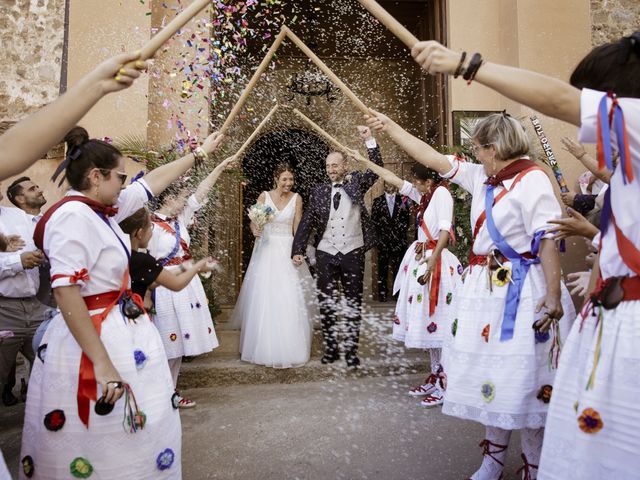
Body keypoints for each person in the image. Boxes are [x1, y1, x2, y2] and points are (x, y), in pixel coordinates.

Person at [409, 31, 640, 480]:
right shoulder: (629, 168)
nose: (584, 126)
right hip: (610, 320)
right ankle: (499, 457)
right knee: (593, 438)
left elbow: (556, 98)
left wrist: (464, 64)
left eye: (589, 103)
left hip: (622, 325)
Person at [367, 110, 575, 480]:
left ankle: (535, 465)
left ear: (494, 148)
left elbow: (547, 239)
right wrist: (390, 128)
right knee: (493, 374)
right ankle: (492, 463)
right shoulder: (482, 176)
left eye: (478, 147)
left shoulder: (532, 180)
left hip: (524, 289)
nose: (474, 154)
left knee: (527, 377)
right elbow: (432, 158)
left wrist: (554, 295)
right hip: (486, 288)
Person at [20, 122, 218, 478]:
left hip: (124, 331)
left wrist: (198, 154)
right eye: (120, 178)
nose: (125, 185)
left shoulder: (102, 208)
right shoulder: (71, 217)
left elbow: (150, 184)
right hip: (92, 340)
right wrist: (102, 364)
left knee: (139, 434)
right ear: (96, 177)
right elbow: (66, 291)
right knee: (99, 440)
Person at [351, 152, 460, 408]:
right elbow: (393, 179)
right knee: (427, 324)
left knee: (439, 323)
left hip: (436, 265)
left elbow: (445, 229)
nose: (412, 184)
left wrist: (432, 262)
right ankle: (435, 374)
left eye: (416, 180)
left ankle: (446, 382)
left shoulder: (441, 195)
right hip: (422, 257)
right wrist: (366, 162)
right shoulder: (424, 195)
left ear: (428, 181)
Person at [291, 126, 383, 368]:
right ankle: (331, 349)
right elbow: (307, 221)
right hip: (326, 251)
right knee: (327, 302)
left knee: (353, 301)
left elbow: (376, 170)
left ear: (345, 166)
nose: (331, 170)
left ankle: (351, 352)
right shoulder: (318, 191)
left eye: (335, 165)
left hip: (353, 250)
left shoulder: (356, 183)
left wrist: (369, 141)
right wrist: (297, 249)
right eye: (328, 167)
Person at [147, 145, 230, 407]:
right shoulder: (147, 223)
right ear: (168, 199)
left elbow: (200, 193)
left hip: (186, 281)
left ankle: (171, 391)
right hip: (162, 285)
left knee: (178, 344)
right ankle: (157, 393)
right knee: (162, 342)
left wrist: (218, 168)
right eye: (180, 198)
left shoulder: (179, 220)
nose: (185, 201)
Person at [0, 51, 148, 182]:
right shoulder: (73, 212)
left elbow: (9, 151)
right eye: (120, 177)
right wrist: (97, 85)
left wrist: (98, 84)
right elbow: (11, 152)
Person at [231, 163, 317, 368]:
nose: (288, 183)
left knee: (289, 295)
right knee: (266, 295)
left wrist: (298, 251)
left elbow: (297, 227)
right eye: (285, 179)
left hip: (287, 248)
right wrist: (255, 230)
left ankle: (292, 348)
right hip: (267, 250)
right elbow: (255, 222)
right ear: (276, 179)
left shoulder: (297, 199)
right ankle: (264, 348)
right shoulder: (264, 196)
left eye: (291, 179)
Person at [0, 185, 47, 407]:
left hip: (37, 306)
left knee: (49, 368)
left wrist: (39, 254)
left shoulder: (19, 216)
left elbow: (38, 247)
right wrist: (17, 261)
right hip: (4, 310)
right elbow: (18, 260)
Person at [119, 206, 222, 306]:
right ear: (140, 233)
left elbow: (152, 283)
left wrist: (182, 268)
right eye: (151, 226)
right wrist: (198, 266)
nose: (152, 230)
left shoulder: (122, 256)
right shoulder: (142, 260)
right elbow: (176, 284)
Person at [371, 182, 410, 302]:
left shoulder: (403, 200)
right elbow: (374, 222)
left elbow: (407, 219)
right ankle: (382, 294)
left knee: (399, 267)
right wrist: (380, 237)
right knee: (382, 268)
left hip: (399, 241)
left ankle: (398, 294)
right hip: (383, 241)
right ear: (384, 186)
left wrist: (400, 234)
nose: (390, 186)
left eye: (391, 184)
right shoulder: (378, 201)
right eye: (387, 184)